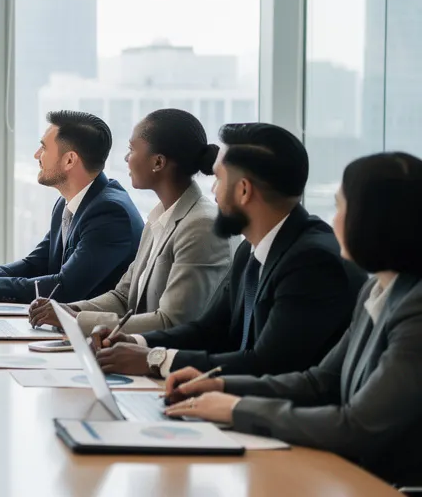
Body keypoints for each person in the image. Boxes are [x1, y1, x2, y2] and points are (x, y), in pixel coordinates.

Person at [163, 152, 422, 488]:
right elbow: (319, 382)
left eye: (341, 206)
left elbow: (357, 426)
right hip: (351, 473)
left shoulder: (415, 309)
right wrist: (221, 386)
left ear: (375, 220)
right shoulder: (378, 288)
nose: (334, 218)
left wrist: (236, 410)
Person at [94, 122, 367, 379]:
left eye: (219, 178)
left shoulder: (312, 262)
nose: (213, 190)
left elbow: (267, 364)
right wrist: (135, 341)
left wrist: (155, 359)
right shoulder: (252, 248)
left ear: (244, 191)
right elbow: (210, 329)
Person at [29, 109, 230, 334]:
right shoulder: (158, 218)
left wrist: (75, 320)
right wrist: (67, 310)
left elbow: (172, 323)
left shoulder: (200, 226)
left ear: (158, 162)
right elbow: (123, 296)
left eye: (132, 149)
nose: (126, 158)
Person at [0, 111, 142, 303]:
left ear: (69, 160)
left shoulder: (110, 213)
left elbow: (64, 288)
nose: (36, 155)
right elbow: (36, 264)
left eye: (44, 148)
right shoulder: (69, 202)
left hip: (92, 333)